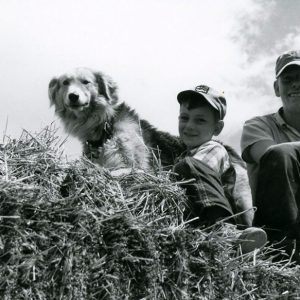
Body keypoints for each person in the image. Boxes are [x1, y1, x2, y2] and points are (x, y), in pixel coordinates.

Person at [174, 84, 267, 253]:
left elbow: (188, 177)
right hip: (196, 224)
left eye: (200, 120)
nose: (189, 126)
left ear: (217, 128)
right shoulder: (183, 156)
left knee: (186, 166)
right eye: (184, 118)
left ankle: (223, 228)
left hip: (214, 216)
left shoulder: (212, 149)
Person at [241, 50, 300, 259]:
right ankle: (282, 248)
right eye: (288, 80)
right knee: (281, 154)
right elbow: (271, 155)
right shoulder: (258, 126)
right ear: (277, 88)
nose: (295, 85)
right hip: (280, 225)